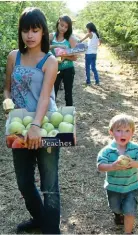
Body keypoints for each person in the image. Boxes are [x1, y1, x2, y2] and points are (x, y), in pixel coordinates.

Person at [3, 7, 61, 234]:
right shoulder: (13, 56)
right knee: (25, 182)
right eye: (26, 30)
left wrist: (36, 126)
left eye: (35, 30)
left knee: (49, 185)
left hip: (44, 124)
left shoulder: (50, 61)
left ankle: (51, 230)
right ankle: (40, 218)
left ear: (43, 32)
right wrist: (7, 102)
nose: (30, 35)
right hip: (18, 126)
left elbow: (45, 97)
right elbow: (7, 89)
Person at [97, 114, 138, 234]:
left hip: (131, 187)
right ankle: (118, 214)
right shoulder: (107, 151)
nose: (123, 134)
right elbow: (100, 167)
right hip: (113, 187)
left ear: (132, 133)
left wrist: (133, 163)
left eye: (127, 131)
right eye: (118, 130)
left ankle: (127, 232)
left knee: (129, 212)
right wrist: (112, 166)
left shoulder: (137, 149)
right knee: (115, 207)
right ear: (111, 132)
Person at [49, 15, 77, 106]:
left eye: (66, 27)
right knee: (53, 93)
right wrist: (56, 46)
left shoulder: (70, 39)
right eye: (61, 25)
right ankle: (51, 113)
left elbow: (75, 57)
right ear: (58, 22)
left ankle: (69, 114)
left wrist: (65, 57)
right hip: (54, 69)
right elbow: (44, 49)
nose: (63, 28)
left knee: (68, 93)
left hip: (68, 69)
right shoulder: (51, 36)